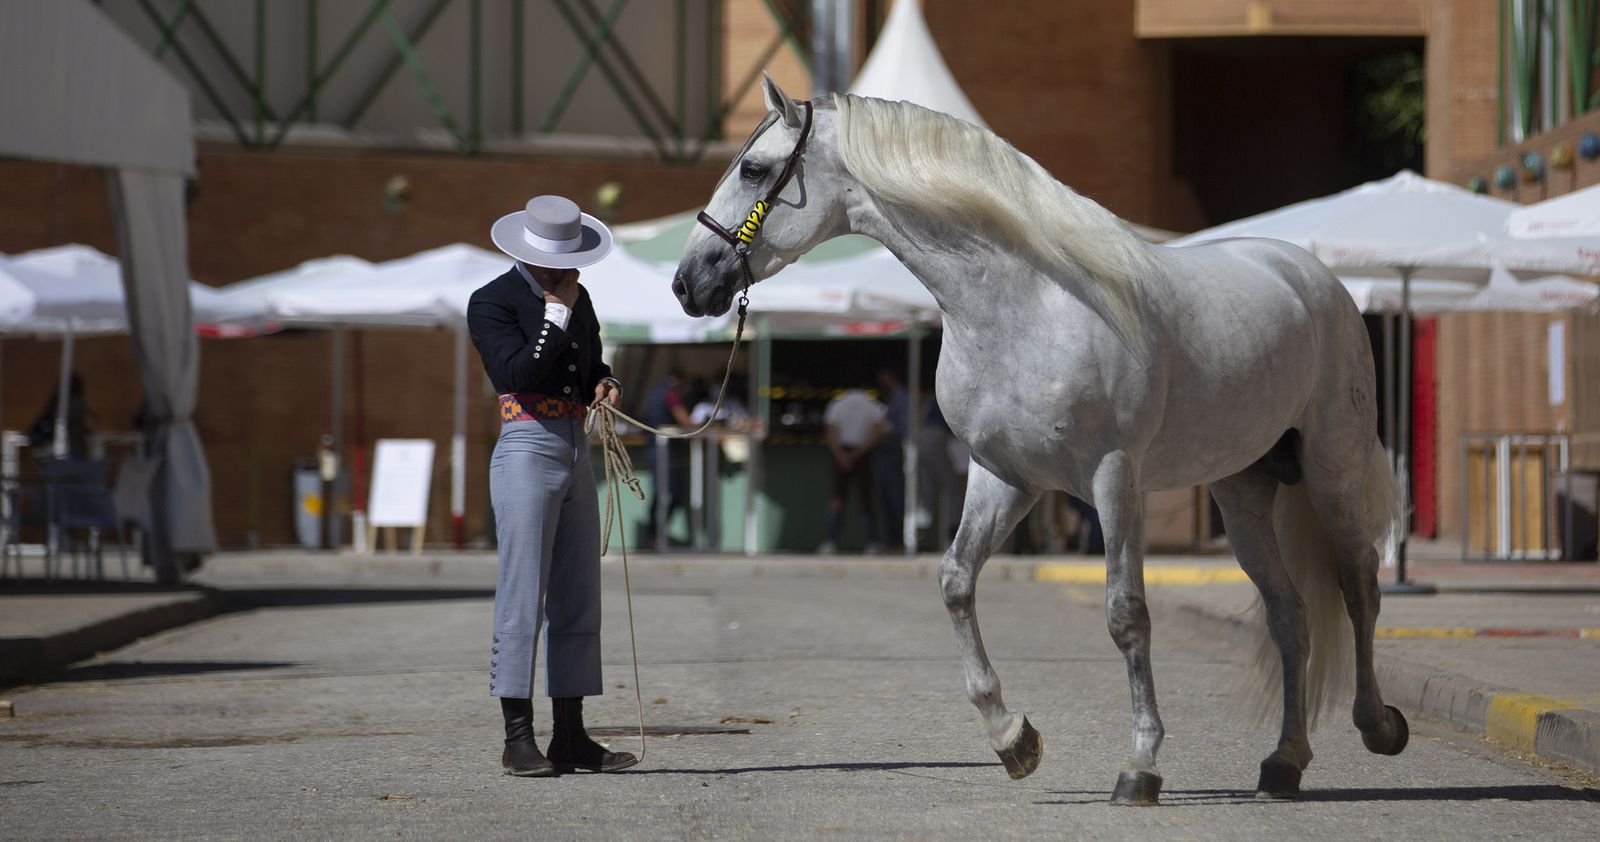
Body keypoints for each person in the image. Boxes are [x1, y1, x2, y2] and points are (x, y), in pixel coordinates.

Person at [469, 194, 635, 777]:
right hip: (526, 445)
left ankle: (571, 734)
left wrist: (605, 380)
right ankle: (518, 737)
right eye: (559, 260)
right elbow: (517, 372)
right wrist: (555, 315)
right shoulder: (491, 301)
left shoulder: (578, 295)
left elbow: (588, 363)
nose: (569, 271)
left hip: (574, 444)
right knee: (523, 593)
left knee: (577, 594)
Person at [820, 386, 886, 554]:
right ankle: (872, 543)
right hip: (863, 453)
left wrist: (840, 454)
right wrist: (859, 453)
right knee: (866, 499)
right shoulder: (873, 404)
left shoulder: (837, 403)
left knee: (837, 498)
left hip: (842, 453)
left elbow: (830, 430)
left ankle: (830, 542)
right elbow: (878, 430)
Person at [640, 369, 693, 547]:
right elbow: (684, 420)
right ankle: (656, 535)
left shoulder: (654, 391)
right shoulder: (671, 394)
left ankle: (654, 535)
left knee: (660, 495)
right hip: (665, 451)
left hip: (654, 448)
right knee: (672, 495)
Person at [874, 368, 908, 552]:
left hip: (893, 453)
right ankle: (892, 541)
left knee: (894, 498)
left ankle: (896, 542)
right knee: (886, 498)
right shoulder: (894, 398)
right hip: (887, 452)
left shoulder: (902, 399)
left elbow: (901, 428)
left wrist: (882, 432)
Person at [27, 373, 93, 459]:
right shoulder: (77, 403)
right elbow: (89, 423)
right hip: (71, 449)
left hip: (49, 449)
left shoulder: (55, 403)